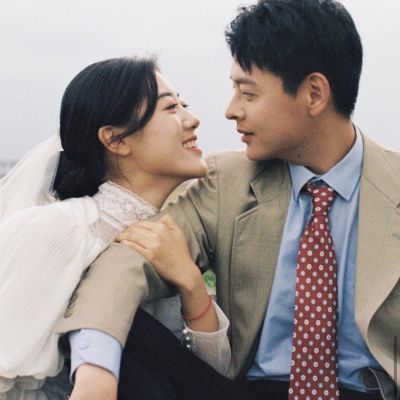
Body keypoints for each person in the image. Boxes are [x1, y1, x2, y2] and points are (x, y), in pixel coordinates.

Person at [57, 1, 400, 399]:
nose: (230, 110)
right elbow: (124, 265)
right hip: (248, 391)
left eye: (247, 93)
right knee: (127, 332)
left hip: (367, 391)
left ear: (314, 94)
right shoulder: (228, 181)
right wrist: (96, 373)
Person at [0, 56, 231, 399]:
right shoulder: (58, 230)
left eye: (184, 105)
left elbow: (209, 378)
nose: (192, 119)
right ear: (116, 140)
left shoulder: (172, 237)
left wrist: (191, 283)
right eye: (170, 108)